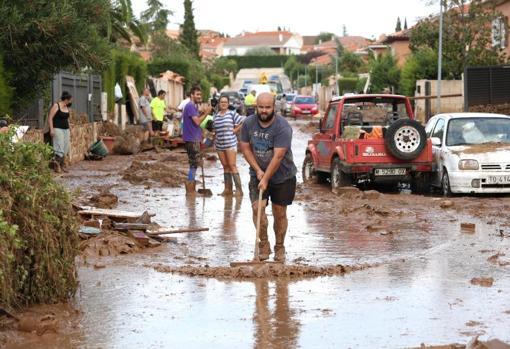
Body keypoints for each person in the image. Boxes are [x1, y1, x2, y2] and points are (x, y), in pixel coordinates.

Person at [240, 92, 297, 262]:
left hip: (283, 175)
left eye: (267, 107)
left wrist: (266, 179)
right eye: (260, 107)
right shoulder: (248, 123)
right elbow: (245, 148)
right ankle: (263, 244)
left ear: (274, 107)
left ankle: (280, 247)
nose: (264, 111)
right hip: (258, 173)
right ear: (256, 107)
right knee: (257, 209)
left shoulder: (283, 127)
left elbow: (278, 156)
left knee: (279, 213)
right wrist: (258, 171)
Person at [182, 86, 212, 194]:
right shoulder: (190, 106)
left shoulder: (193, 106)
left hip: (195, 138)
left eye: (200, 94)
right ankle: (190, 189)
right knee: (194, 164)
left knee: (194, 163)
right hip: (191, 139)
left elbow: (196, 120)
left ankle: (191, 188)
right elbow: (197, 122)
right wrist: (207, 112)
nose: (199, 96)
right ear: (192, 95)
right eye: (197, 94)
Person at [213, 95, 245, 196]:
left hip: (230, 143)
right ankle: (228, 189)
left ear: (228, 104)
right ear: (219, 103)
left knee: (232, 165)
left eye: (225, 102)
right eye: (221, 102)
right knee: (225, 166)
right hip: (219, 145)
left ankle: (239, 190)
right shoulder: (216, 116)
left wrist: (235, 130)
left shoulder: (232, 114)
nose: (223, 104)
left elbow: (243, 121)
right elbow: (215, 129)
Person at [47, 91, 73, 173]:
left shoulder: (66, 107)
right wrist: (51, 129)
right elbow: (50, 118)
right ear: (66, 99)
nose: (70, 101)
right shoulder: (56, 105)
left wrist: (70, 128)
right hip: (57, 129)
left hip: (66, 129)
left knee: (65, 147)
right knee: (59, 147)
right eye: (70, 100)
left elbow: (67, 119)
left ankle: (62, 165)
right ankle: (56, 166)